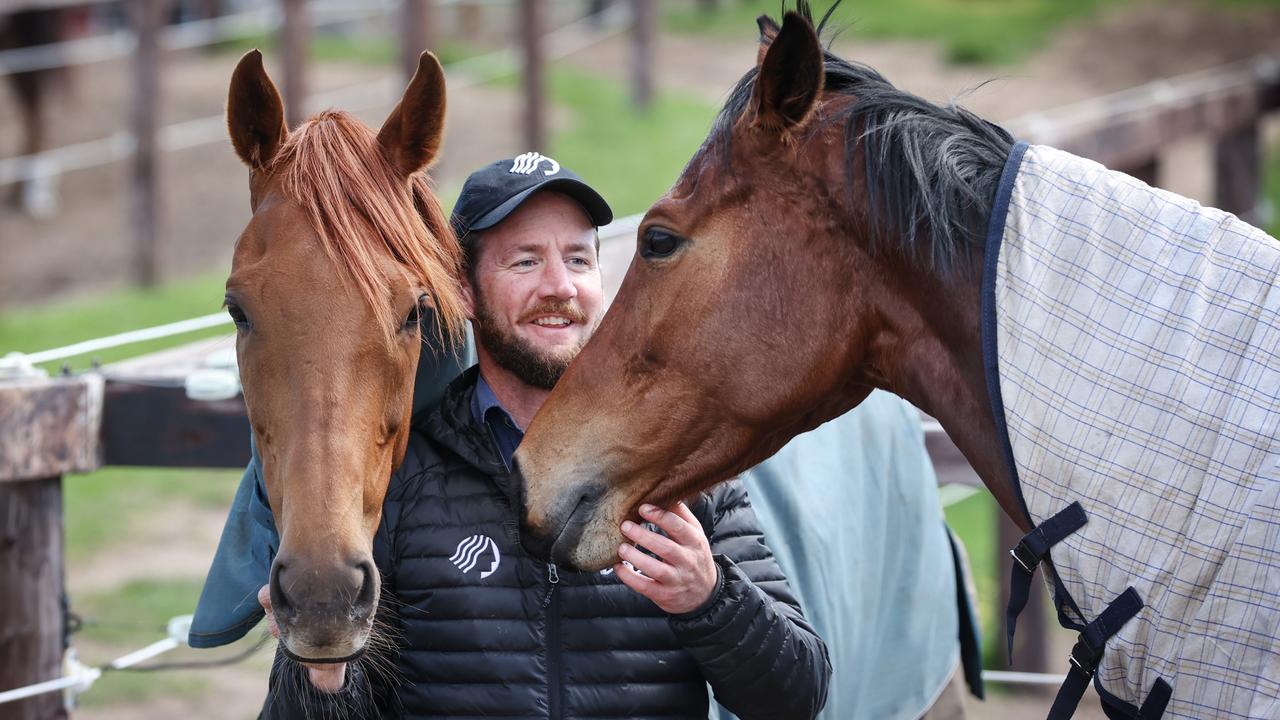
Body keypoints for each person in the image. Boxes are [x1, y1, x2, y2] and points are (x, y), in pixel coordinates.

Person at [191, 154, 831, 720]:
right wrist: (324, 675)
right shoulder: (404, 476)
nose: (560, 287)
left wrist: (710, 598)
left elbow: (798, 696)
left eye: (578, 259)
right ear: (463, 290)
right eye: (526, 261)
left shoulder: (681, 464)